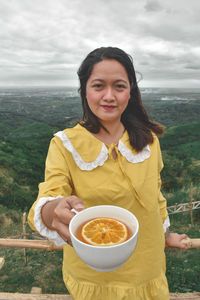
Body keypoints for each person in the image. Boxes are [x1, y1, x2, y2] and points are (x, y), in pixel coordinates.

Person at [28, 46, 188, 300]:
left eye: (120, 86)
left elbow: (155, 198)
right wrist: (53, 210)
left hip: (148, 268)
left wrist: (166, 235)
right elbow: (51, 194)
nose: (109, 96)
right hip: (93, 274)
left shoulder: (149, 141)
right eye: (99, 85)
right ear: (85, 90)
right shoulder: (64, 144)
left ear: (131, 92)